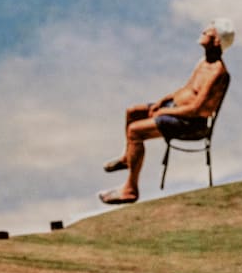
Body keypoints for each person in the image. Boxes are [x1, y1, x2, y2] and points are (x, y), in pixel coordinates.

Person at [99, 18, 234, 204]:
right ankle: (127, 158)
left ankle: (130, 190)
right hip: (176, 110)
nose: (203, 32)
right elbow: (186, 89)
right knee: (132, 112)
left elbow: (196, 109)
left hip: (190, 123)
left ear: (217, 41)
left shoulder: (217, 72)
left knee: (135, 131)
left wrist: (164, 113)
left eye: (207, 32)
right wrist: (164, 101)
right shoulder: (203, 63)